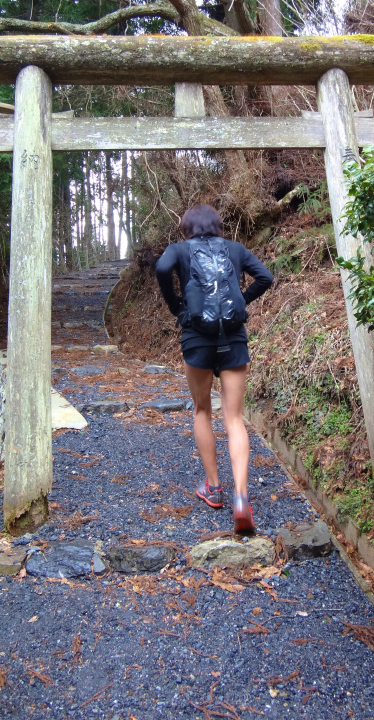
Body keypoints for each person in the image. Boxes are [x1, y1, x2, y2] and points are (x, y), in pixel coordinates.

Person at [155, 205, 273, 535]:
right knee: (234, 418)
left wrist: (176, 304)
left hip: (197, 339)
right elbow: (265, 277)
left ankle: (214, 487)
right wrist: (241, 300)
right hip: (233, 338)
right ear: (218, 225)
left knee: (203, 410)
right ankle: (240, 498)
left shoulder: (178, 250)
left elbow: (162, 268)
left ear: (187, 227)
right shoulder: (234, 248)